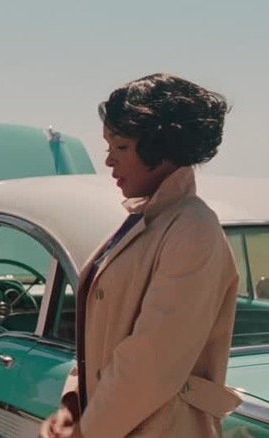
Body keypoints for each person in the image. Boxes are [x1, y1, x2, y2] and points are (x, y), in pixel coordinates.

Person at [39, 73, 243, 438]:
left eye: (120, 148)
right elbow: (102, 336)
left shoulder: (192, 228)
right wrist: (72, 405)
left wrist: (89, 431)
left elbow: (152, 359)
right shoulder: (145, 220)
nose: (108, 162)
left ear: (158, 147)